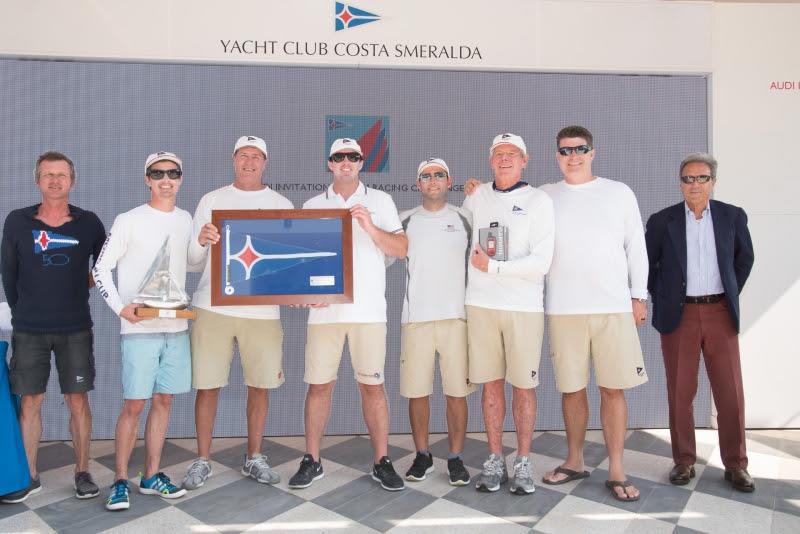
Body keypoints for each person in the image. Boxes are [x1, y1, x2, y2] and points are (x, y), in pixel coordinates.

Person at [287, 138, 408, 491]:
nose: (345, 162)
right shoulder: (312, 204)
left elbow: (401, 249)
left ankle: (382, 461)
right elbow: (300, 262)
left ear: (360, 162)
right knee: (318, 388)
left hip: (368, 312)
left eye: (352, 157)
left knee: (373, 387)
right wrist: (301, 294)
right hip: (324, 315)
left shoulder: (381, 201)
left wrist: (370, 226)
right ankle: (312, 459)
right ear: (329, 163)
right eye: (338, 157)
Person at [538, 126, 649, 502]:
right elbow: (510, 220)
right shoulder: (543, 195)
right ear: (557, 155)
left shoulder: (619, 192)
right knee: (572, 390)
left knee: (612, 389)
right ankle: (574, 461)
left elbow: (636, 245)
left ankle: (617, 468)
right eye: (566, 150)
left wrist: (638, 296)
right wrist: (477, 193)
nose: (573, 156)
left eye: (580, 149)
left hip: (613, 307)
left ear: (593, 152)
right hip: (563, 308)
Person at [182, 136, 293, 490]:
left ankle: (254, 457)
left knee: (260, 386)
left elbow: (288, 262)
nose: (249, 162)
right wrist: (201, 239)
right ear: (233, 160)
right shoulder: (211, 200)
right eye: (243, 155)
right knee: (207, 386)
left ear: (265, 162)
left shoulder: (281, 203)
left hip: (262, 313)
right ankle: (201, 460)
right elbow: (191, 261)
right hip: (212, 306)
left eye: (256, 156)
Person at [645, 152, 755, 492]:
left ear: (713, 182)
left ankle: (736, 464)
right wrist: (662, 298)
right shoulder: (663, 221)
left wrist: (728, 294)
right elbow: (649, 267)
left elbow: (744, 259)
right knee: (680, 391)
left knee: (730, 392)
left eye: (702, 178)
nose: (695, 185)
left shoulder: (731, 216)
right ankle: (683, 460)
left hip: (719, 312)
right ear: (680, 184)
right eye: (688, 179)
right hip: (680, 316)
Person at [0, 151, 106, 503]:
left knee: (77, 400)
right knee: (31, 400)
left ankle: (82, 471)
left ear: (72, 181)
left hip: (75, 327)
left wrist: (74, 284)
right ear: (37, 180)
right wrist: (25, 310)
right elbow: (9, 274)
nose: (55, 181)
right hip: (29, 328)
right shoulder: (17, 221)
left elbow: (103, 269)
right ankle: (30, 475)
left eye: (62, 175)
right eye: (48, 175)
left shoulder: (89, 223)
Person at [93, 152, 194, 510]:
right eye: (158, 173)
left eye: (173, 173)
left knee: (164, 401)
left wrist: (209, 239)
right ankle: (120, 480)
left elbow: (194, 262)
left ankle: (151, 476)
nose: (166, 179)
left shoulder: (186, 219)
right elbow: (101, 268)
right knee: (134, 404)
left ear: (181, 178)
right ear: (147, 179)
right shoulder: (128, 219)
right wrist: (121, 307)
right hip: (138, 330)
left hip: (177, 327)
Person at [463, 133, 554, 494]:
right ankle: (495, 459)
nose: (504, 159)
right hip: (481, 305)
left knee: (524, 388)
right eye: (498, 153)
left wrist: (496, 269)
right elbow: (464, 244)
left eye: (511, 154)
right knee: (489, 388)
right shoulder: (475, 195)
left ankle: (524, 462)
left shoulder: (539, 200)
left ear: (524, 160)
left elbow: (541, 261)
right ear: (490, 160)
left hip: (523, 308)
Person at [398, 158, 475, 486]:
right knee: (418, 393)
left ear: (449, 180)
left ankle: (455, 458)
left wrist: (480, 190)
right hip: (416, 320)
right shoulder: (404, 221)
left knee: (457, 394)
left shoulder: (466, 217)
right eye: (426, 176)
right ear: (418, 184)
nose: (432, 180)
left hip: (457, 320)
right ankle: (422, 455)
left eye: (439, 175)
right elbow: (375, 253)